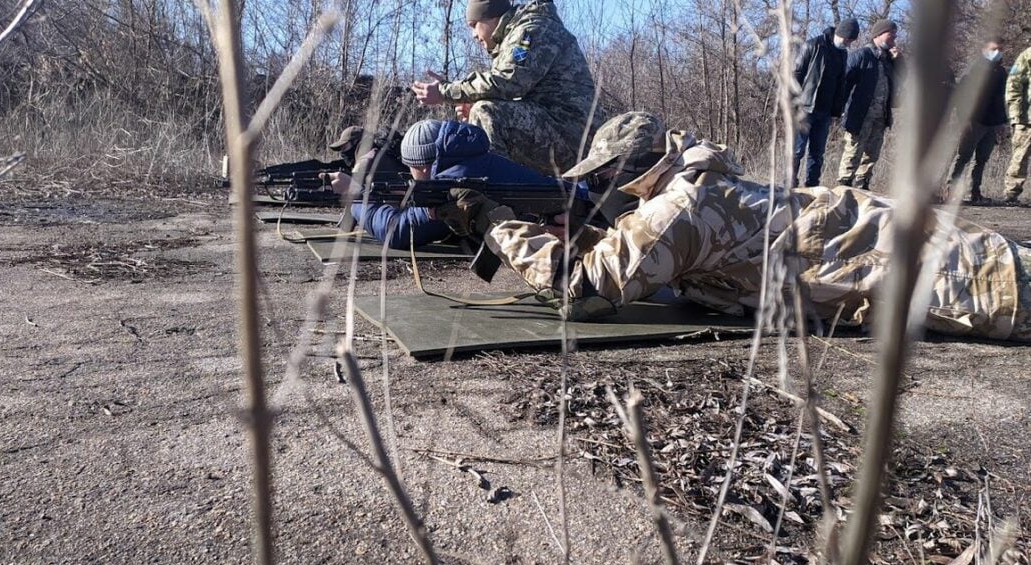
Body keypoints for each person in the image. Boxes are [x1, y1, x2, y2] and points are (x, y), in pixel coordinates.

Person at [436, 111, 1031, 342]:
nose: (598, 187)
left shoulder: (683, 206)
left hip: (977, 279)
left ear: (636, 171)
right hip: (957, 257)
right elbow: (647, 256)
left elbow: (583, 291)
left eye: (605, 176)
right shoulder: (698, 191)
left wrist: (498, 225)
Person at [410, 0, 601, 175]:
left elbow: (509, 82)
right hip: (562, 133)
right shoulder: (517, 35)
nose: (474, 35)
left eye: (474, 25)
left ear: (491, 17)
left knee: (486, 111)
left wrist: (446, 91)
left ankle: (496, 202)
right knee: (481, 113)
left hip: (574, 138)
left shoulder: (532, 30)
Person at [347, 119, 575, 250]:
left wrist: (354, 197)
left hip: (574, 211)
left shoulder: (453, 182)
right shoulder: (471, 163)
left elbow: (396, 231)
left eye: (411, 169)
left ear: (422, 167)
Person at [792, 18, 859, 187]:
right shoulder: (813, 45)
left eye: (851, 42)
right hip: (805, 108)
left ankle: (812, 186)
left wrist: (838, 109)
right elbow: (796, 74)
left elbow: (840, 83)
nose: (848, 44)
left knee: (817, 153)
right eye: (847, 40)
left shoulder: (843, 54)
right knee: (797, 150)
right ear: (840, 33)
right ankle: (789, 183)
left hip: (825, 112)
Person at [836, 19, 901, 190]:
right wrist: (838, 109)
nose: (894, 38)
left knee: (872, 154)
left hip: (881, 116)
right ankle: (844, 185)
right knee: (853, 151)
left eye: (895, 35)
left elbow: (904, 78)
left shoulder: (889, 59)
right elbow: (844, 84)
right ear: (878, 35)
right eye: (890, 34)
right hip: (860, 115)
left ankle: (862, 183)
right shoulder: (861, 55)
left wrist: (898, 61)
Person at [947, 38, 1009, 205]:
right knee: (963, 156)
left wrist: (1002, 122)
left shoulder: (1001, 72)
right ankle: (950, 191)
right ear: (984, 49)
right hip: (974, 121)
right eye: (994, 48)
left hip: (992, 123)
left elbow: (1001, 98)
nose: (997, 52)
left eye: (1000, 49)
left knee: (982, 159)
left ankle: (975, 192)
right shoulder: (975, 70)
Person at [1004, 44, 1031, 204]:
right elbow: (1013, 85)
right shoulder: (1027, 55)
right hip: (1026, 119)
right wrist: (1015, 115)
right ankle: (1011, 194)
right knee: (1020, 156)